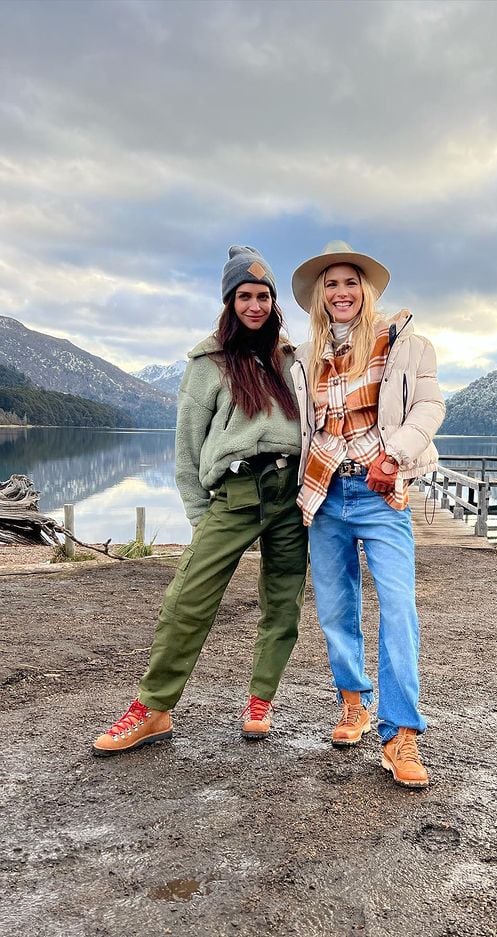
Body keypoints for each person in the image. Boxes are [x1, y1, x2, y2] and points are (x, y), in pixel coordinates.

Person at [92, 246, 307, 756]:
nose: (255, 305)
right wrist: (198, 513)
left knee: (283, 601)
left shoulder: (290, 358)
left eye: (263, 295)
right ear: (230, 302)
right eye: (244, 296)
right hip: (232, 493)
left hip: (290, 493)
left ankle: (260, 700)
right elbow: (187, 448)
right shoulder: (208, 361)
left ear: (275, 302)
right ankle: (154, 706)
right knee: (188, 599)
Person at [290, 241, 445, 788]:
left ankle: (401, 733)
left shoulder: (404, 344)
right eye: (330, 284)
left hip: (381, 491)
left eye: (350, 282)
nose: (341, 292)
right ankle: (353, 704)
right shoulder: (304, 358)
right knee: (336, 607)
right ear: (320, 296)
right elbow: (305, 428)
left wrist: (394, 454)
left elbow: (430, 406)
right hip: (326, 493)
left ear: (366, 290)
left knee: (398, 607)